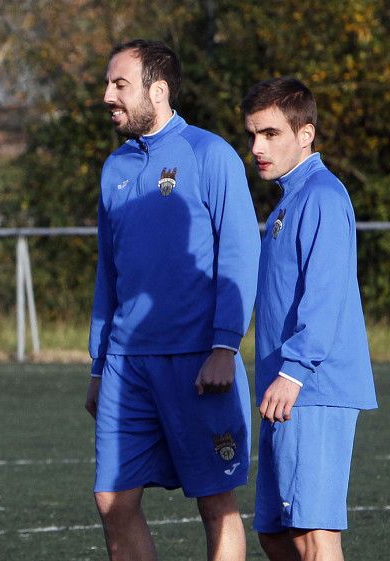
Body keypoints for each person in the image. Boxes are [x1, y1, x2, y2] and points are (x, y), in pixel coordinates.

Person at [85, 39, 260, 561]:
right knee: (112, 500)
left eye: (120, 84)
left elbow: (239, 253)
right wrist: (99, 364)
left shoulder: (209, 154)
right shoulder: (114, 168)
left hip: (198, 361)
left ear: (157, 90)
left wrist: (225, 347)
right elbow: (108, 274)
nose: (107, 95)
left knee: (216, 504)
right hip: (125, 365)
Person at [241, 77, 378, 561]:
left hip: (311, 389)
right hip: (286, 391)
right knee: (277, 534)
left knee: (315, 538)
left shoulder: (322, 195)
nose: (257, 147)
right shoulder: (290, 199)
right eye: (252, 135)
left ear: (306, 134)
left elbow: (325, 296)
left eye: (271, 134)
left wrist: (294, 372)